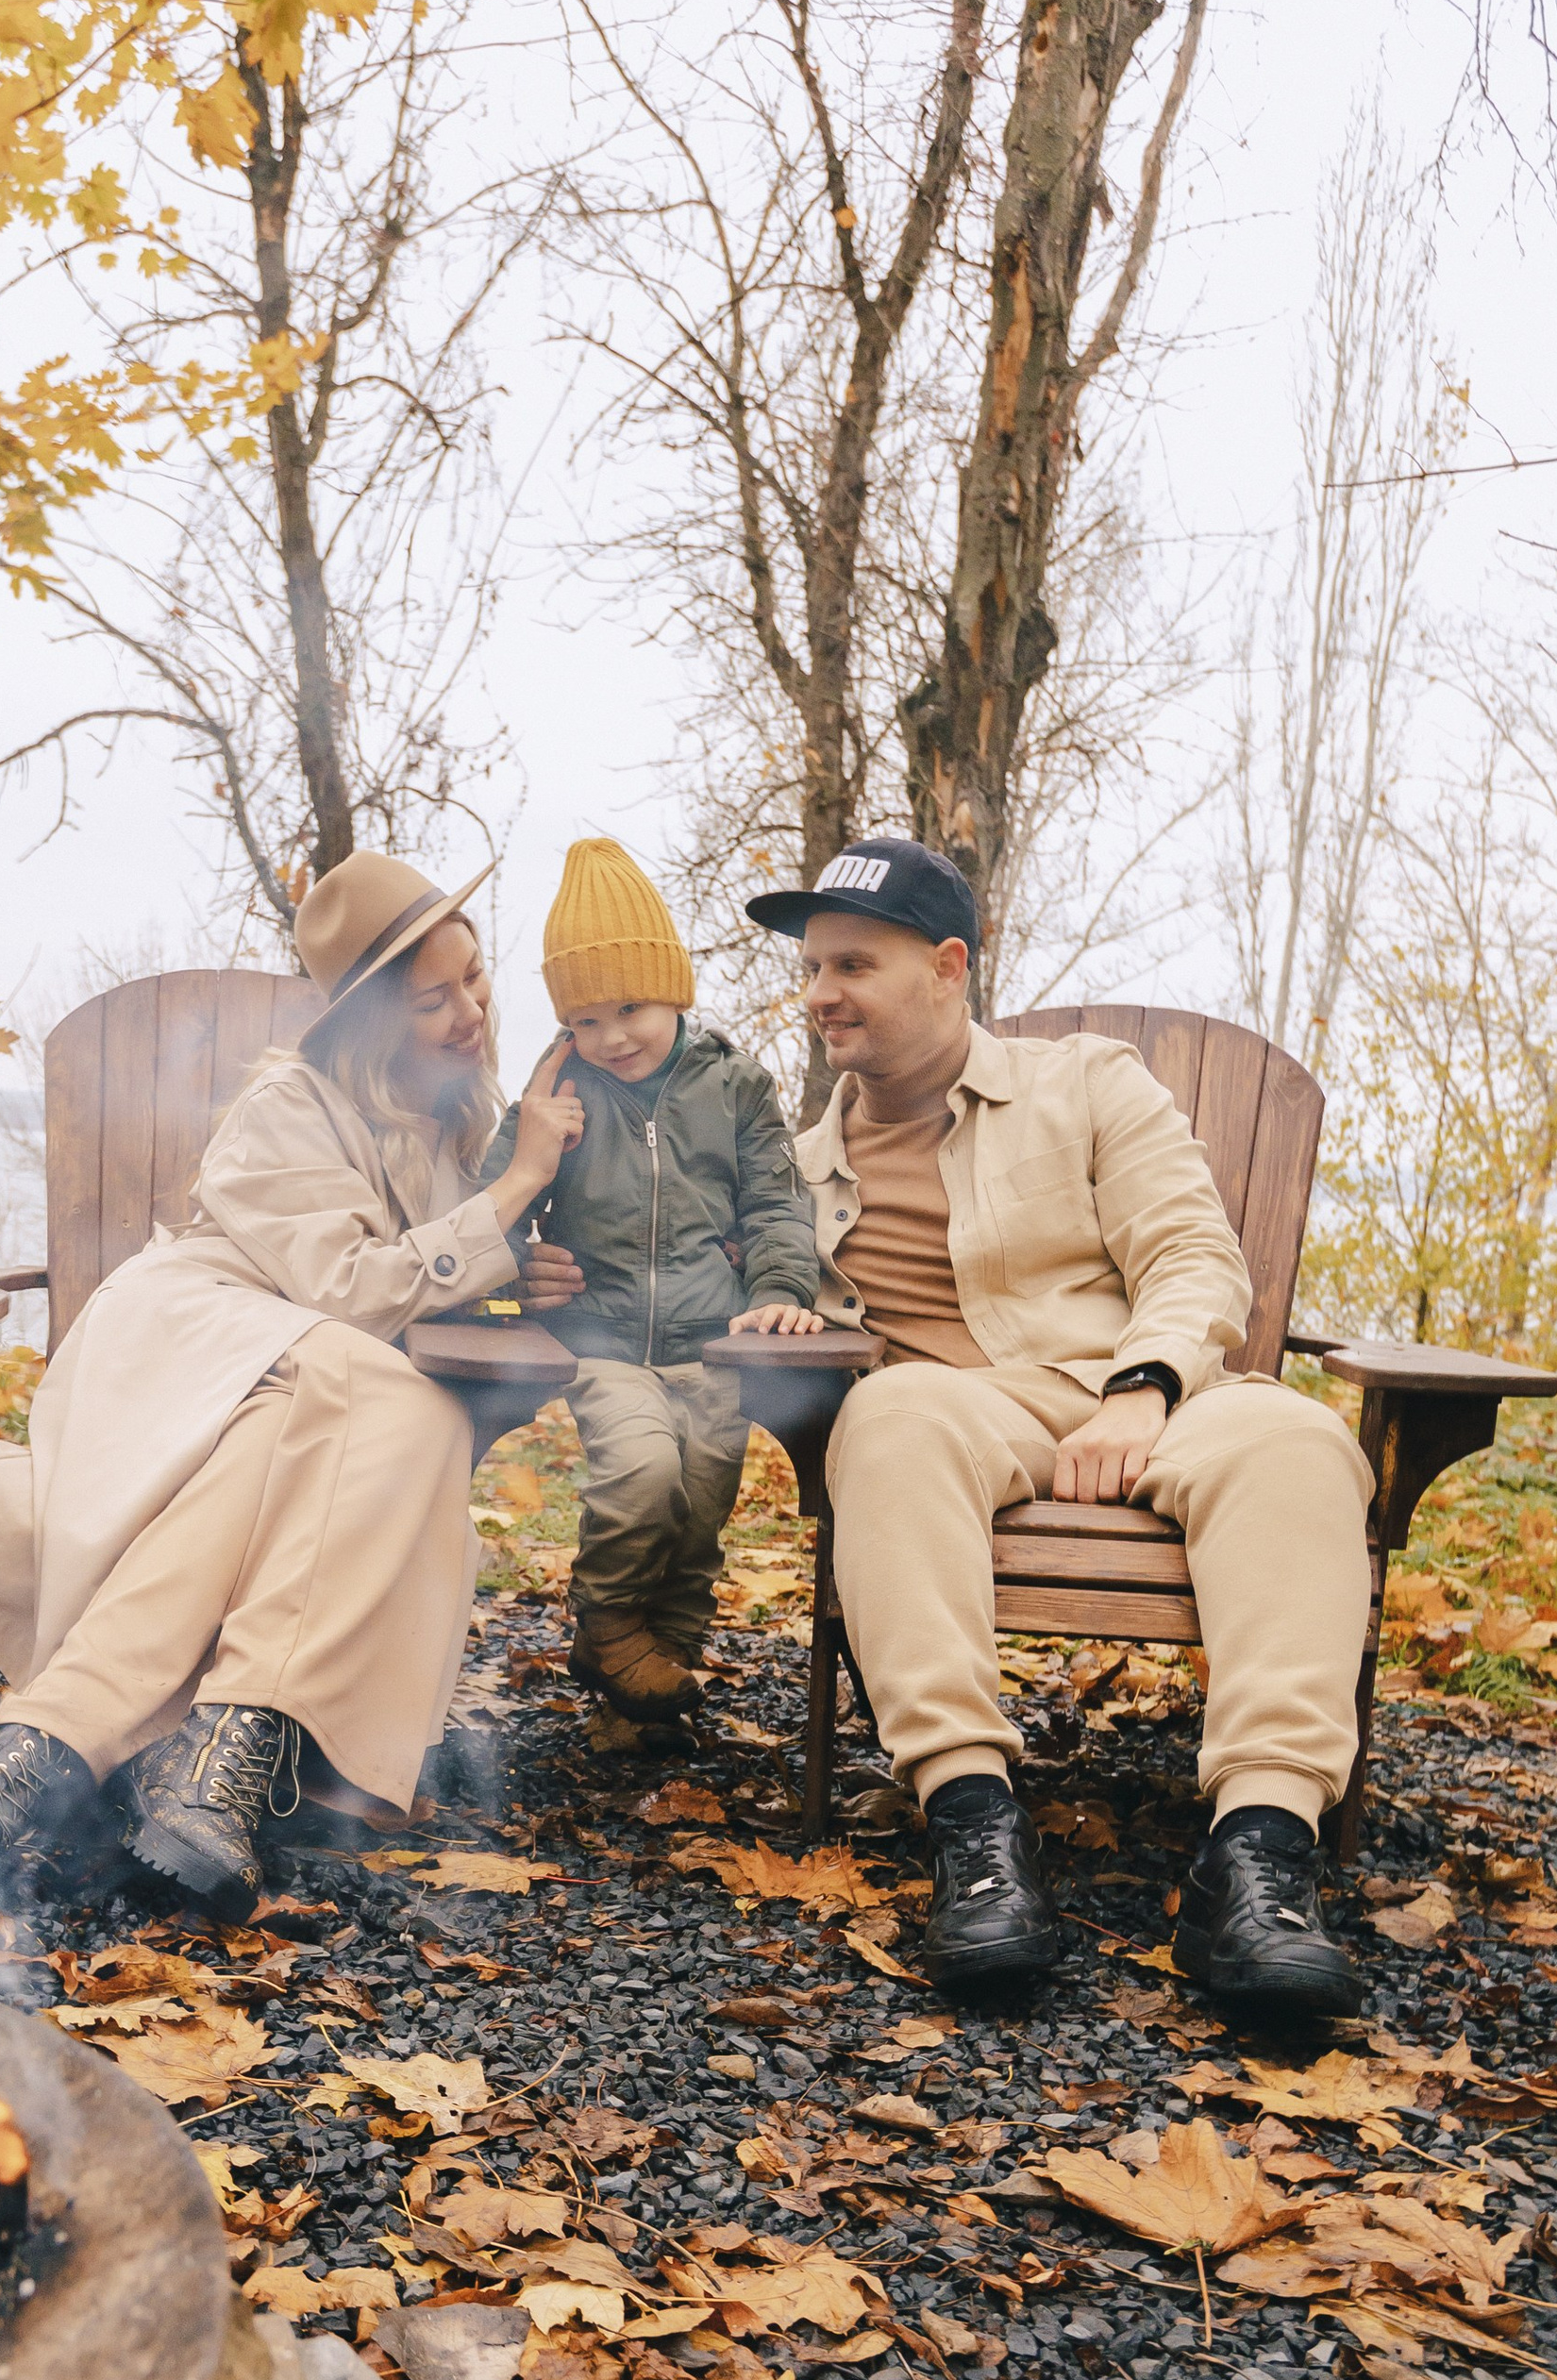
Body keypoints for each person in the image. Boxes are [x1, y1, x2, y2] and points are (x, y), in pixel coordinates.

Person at [526, 832, 1375, 2010]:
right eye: (811, 969)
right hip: (957, 1417)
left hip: (1153, 1391)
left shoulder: (1088, 1083)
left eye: (852, 965)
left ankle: (1261, 1857)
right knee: (887, 1413)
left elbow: (1190, 1254)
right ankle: (974, 1831)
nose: (820, 994)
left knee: (1302, 1443)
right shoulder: (789, 1172)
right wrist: (546, 1270)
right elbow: (668, 1273)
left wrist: (1142, 1387)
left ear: (946, 966)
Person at [0, 851, 583, 1929]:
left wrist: (517, 1266)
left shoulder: (447, 1121)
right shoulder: (291, 1103)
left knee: (350, 1412)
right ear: (369, 1021)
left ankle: (20, 1769)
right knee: (392, 1397)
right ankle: (217, 1761)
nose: (469, 1012)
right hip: (187, 1344)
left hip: (298, 1390)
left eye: (472, 979)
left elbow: (415, 1283)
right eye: (431, 1000)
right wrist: (518, 1187)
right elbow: (351, 1293)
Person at [482, 838, 824, 1719]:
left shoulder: (736, 1087)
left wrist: (779, 1292)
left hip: (716, 1344)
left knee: (699, 1514)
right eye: (585, 1019)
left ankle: (648, 1701)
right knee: (641, 1479)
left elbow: (777, 1205)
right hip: (600, 1342)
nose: (612, 1037)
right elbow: (486, 1218)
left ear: (674, 988)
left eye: (630, 1007)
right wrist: (519, 1262)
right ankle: (606, 1626)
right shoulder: (557, 1096)